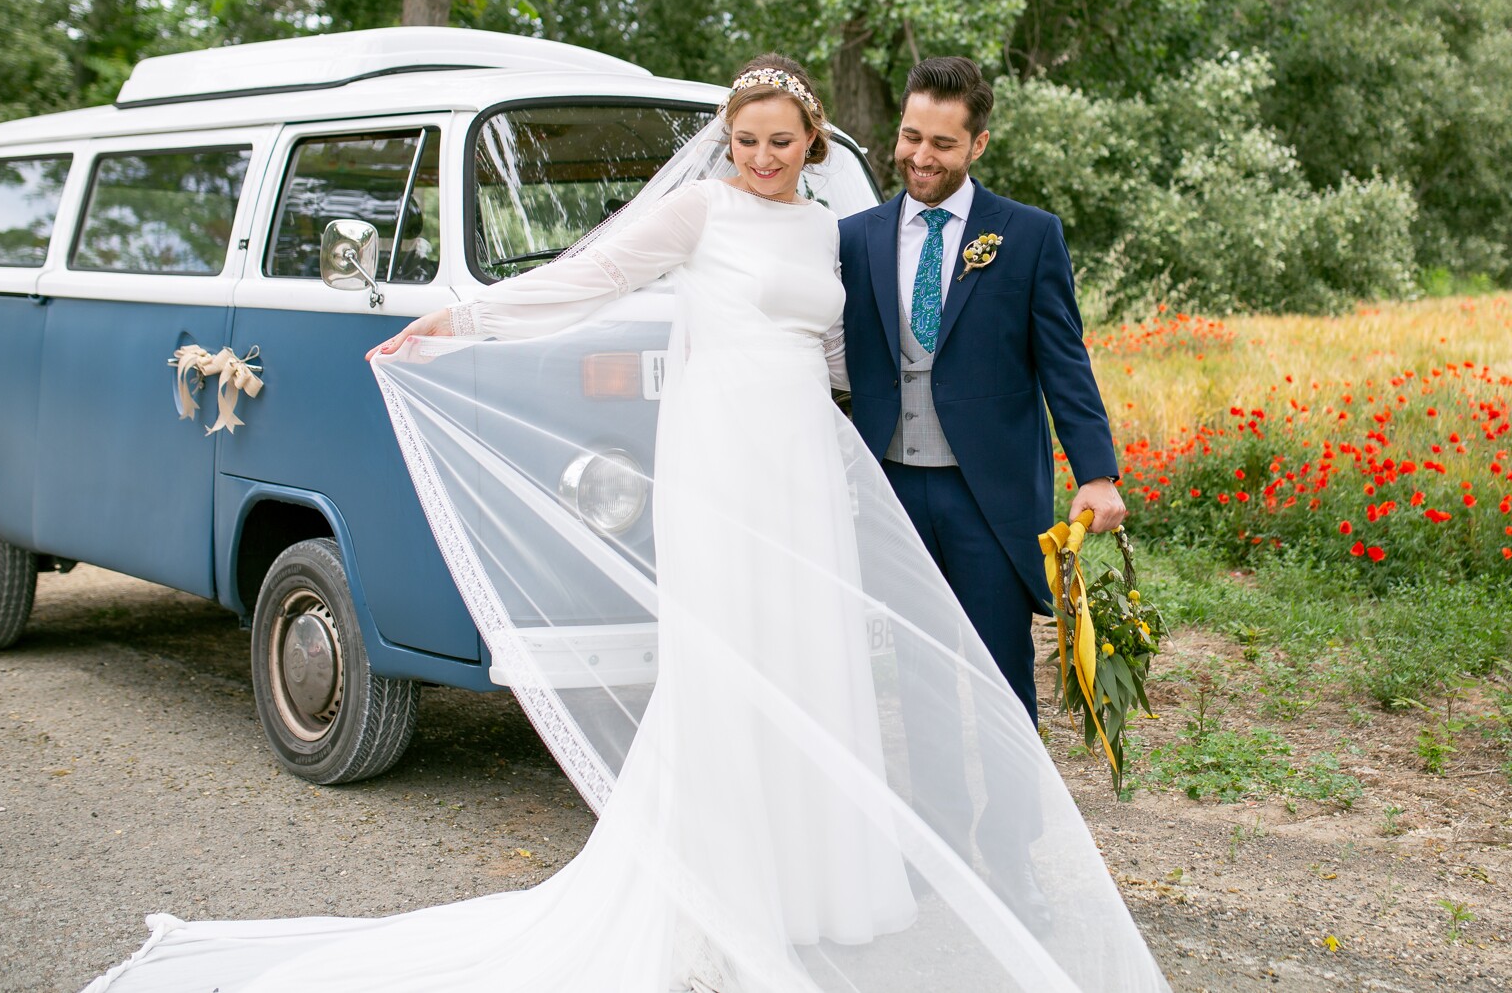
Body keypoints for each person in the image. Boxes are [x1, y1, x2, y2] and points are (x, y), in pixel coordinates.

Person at [82, 56, 1168, 993]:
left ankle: (841, 879)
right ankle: (724, 889)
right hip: (725, 460)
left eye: (779, 140)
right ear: (729, 140)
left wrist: (1086, 465)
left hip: (809, 460)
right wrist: (466, 320)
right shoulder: (703, 211)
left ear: (815, 142)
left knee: (813, 662)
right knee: (729, 661)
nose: (759, 156)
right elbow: (591, 275)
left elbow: (846, 354)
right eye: (742, 139)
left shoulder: (836, 228)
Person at [835, 57, 1124, 924]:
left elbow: (1062, 360)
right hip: (891, 494)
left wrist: (1097, 470)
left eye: (942, 142)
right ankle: (934, 847)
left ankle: (1012, 856)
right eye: (911, 136)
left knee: (1001, 684)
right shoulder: (853, 235)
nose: (921, 155)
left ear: (979, 142)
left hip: (987, 499)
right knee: (917, 680)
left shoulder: (1028, 234)